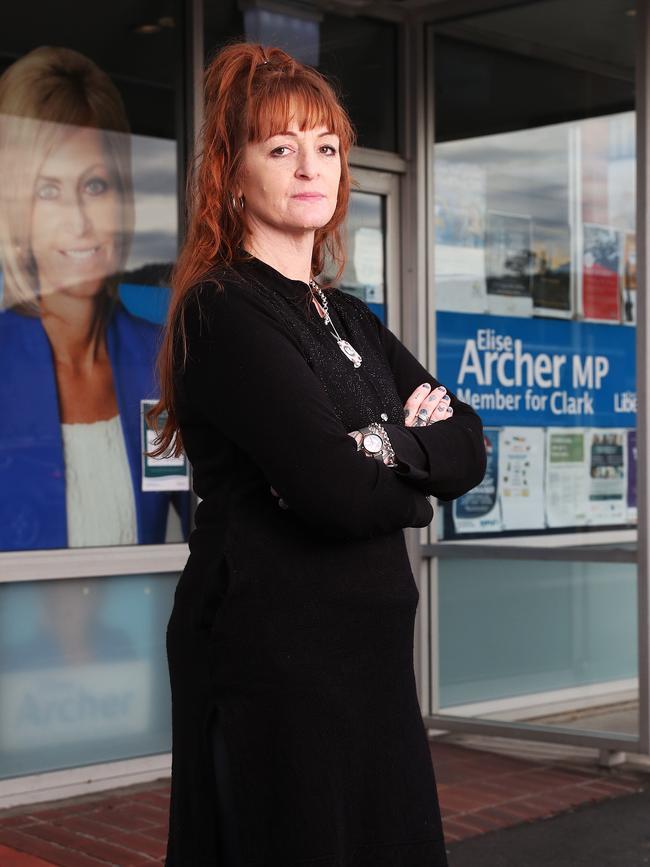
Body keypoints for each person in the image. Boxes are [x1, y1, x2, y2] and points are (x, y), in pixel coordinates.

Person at [149, 42, 486, 866]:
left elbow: (468, 443)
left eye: (327, 147)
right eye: (281, 147)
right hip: (274, 663)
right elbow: (334, 489)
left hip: (368, 662)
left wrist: (377, 446)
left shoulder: (354, 320)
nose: (312, 166)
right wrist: (411, 477)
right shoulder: (223, 313)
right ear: (232, 176)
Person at [0, 46, 189, 550]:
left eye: (95, 185)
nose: (80, 221)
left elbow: (208, 519)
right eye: (47, 192)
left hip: (142, 626)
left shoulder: (160, 361)